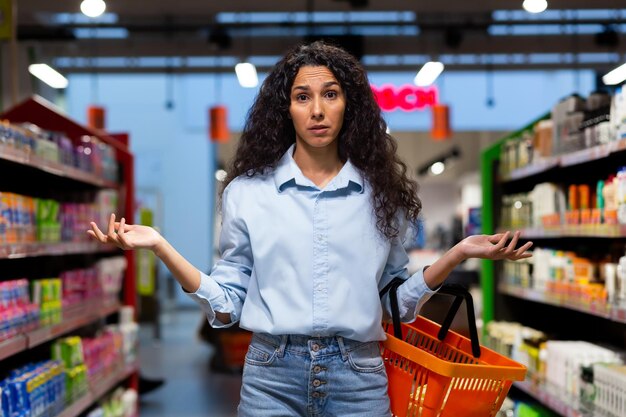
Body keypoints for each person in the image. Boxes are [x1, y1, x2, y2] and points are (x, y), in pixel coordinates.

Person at [87, 41, 532, 417]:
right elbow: (226, 306)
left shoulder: (381, 195)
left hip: (359, 377)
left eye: (330, 94)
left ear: (348, 105)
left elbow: (394, 303)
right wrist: (162, 247)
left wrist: (455, 255)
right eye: (303, 97)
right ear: (287, 108)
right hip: (270, 376)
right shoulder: (249, 192)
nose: (317, 110)